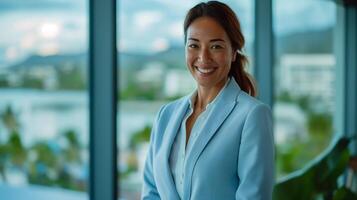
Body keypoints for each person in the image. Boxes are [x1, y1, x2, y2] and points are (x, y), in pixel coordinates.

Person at [141, 1, 275, 200]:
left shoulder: (252, 116)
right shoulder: (166, 115)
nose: (203, 57)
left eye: (216, 46)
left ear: (233, 52)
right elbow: (151, 191)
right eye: (194, 45)